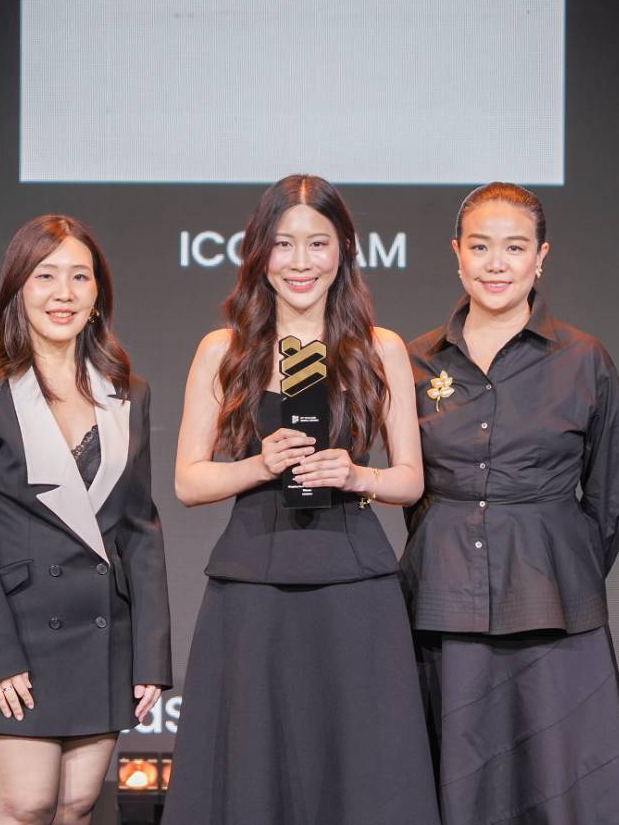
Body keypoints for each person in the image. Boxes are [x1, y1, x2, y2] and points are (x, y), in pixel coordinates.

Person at [161, 174, 441, 825]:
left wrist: (356, 474)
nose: (300, 262)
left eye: (318, 243)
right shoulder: (224, 350)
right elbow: (188, 482)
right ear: (260, 252)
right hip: (252, 590)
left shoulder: (379, 347)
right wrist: (260, 464)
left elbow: (409, 479)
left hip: (355, 589)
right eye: (284, 244)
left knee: (361, 773)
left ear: (343, 249)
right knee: (254, 769)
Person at [403, 182, 619, 824]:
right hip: (443, 604)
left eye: (514, 248)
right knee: (455, 781)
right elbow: (411, 489)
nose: (496, 264)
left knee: (561, 785)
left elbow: (613, 494)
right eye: (480, 246)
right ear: (456, 253)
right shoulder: (414, 360)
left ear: (541, 257)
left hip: (553, 605)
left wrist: (561, 562)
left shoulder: (584, 358)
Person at [0, 214, 171, 825]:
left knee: (75, 806)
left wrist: (151, 654)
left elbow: (140, 530)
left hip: (101, 637)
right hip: (17, 638)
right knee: (24, 806)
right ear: (17, 288)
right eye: (45, 276)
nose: (63, 293)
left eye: (79, 277)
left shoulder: (128, 393)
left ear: (98, 295)